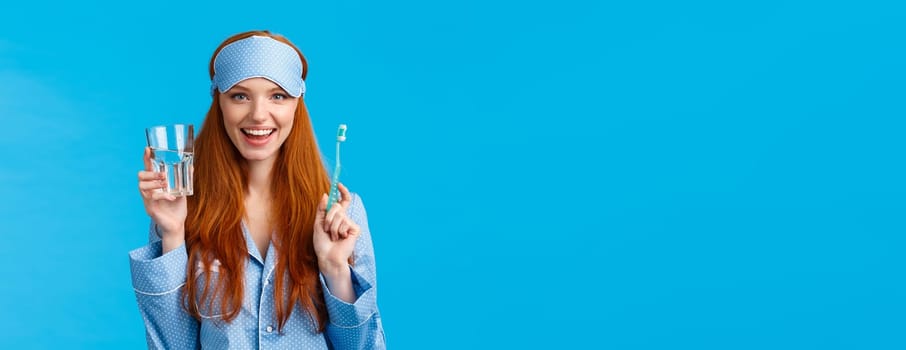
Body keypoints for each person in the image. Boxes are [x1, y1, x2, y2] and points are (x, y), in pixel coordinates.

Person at [129, 30, 385, 349]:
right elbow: (171, 344)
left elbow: (363, 346)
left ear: (297, 104)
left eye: (277, 96)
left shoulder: (341, 214)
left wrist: (335, 270)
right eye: (240, 96)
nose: (258, 114)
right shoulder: (183, 210)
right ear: (219, 102)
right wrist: (172, 234)